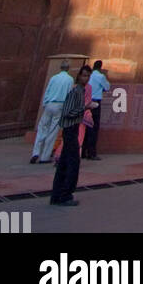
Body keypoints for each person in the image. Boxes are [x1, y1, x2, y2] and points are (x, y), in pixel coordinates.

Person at [49, 65, 90, 205]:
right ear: (78, 76)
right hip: (70, 129)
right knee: (73, 163)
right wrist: (84, 108)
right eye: (84, 75)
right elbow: (67, 112)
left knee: (64, 164)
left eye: (87, 76)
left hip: (71, 129)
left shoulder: (80, 91)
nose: (86, 78)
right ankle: (65, 195)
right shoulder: (75, 91)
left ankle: (56, 196)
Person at [31, 61, 73, 163]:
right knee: (52, 131)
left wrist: (45, 103)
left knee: (42, 128)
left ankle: (35, 153)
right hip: (60, 105)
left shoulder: (54, 78)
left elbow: (48, 90)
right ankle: (45, 157)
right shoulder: (69, 79)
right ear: (68, 68)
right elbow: (69, 93)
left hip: (49, 103)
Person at [82, 60, 110, 159]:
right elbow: (107, 87)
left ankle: (82, 151)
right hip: (95, 103)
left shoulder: (88, 76)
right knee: (93, 128)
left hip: (85, 102)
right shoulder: (100, 76)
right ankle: (91, 153)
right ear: (100, 67)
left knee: (84, 126)